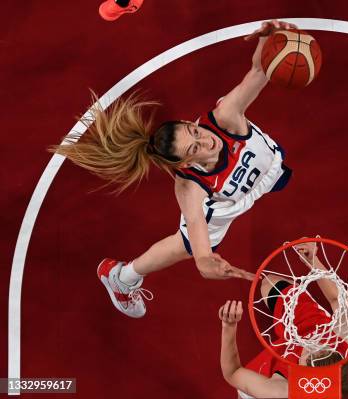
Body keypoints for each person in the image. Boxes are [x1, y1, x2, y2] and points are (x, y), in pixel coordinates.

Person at [51, 20, 297, 318]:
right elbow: (197, 230)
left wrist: (269, 39)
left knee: (275, 175)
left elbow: (258, 73)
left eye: (194, 133)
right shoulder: (189, 187)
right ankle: (122, 276)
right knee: (186, 246)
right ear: (184, 164)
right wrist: (206, 261)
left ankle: (123, 276)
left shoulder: (225, 117)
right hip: (223, 205)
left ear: (191, 123)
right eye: (194, 149)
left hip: (265, 169)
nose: (205, 141)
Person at [218, 242, 348, 398]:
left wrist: (228, 327)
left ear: (302, 375)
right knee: (269, 283)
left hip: (275, 382)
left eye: (309, 353)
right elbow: (336, 299)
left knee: (245, 391)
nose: (312, 344)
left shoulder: (279, 391)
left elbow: (232, 373)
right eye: (323, 346)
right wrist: (313, 260)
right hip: (307, 328)